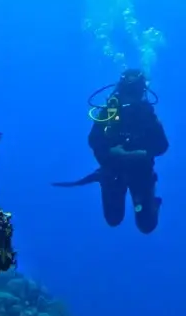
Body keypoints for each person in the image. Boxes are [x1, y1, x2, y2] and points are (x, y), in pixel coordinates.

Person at [52, 68, 168, 233]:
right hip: (113, 173)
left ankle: (152, 202)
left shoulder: (147, 115)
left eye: (134, 92)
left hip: (141, 173)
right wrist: (113, 153)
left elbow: (162, 146)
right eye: (128, 91)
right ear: (120, 90)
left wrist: (141, 154)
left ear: (141, 92)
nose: (130, 97)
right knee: (113, 219)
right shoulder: (109, 112)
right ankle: (104, 179)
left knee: (147, 225)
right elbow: (94, 140)